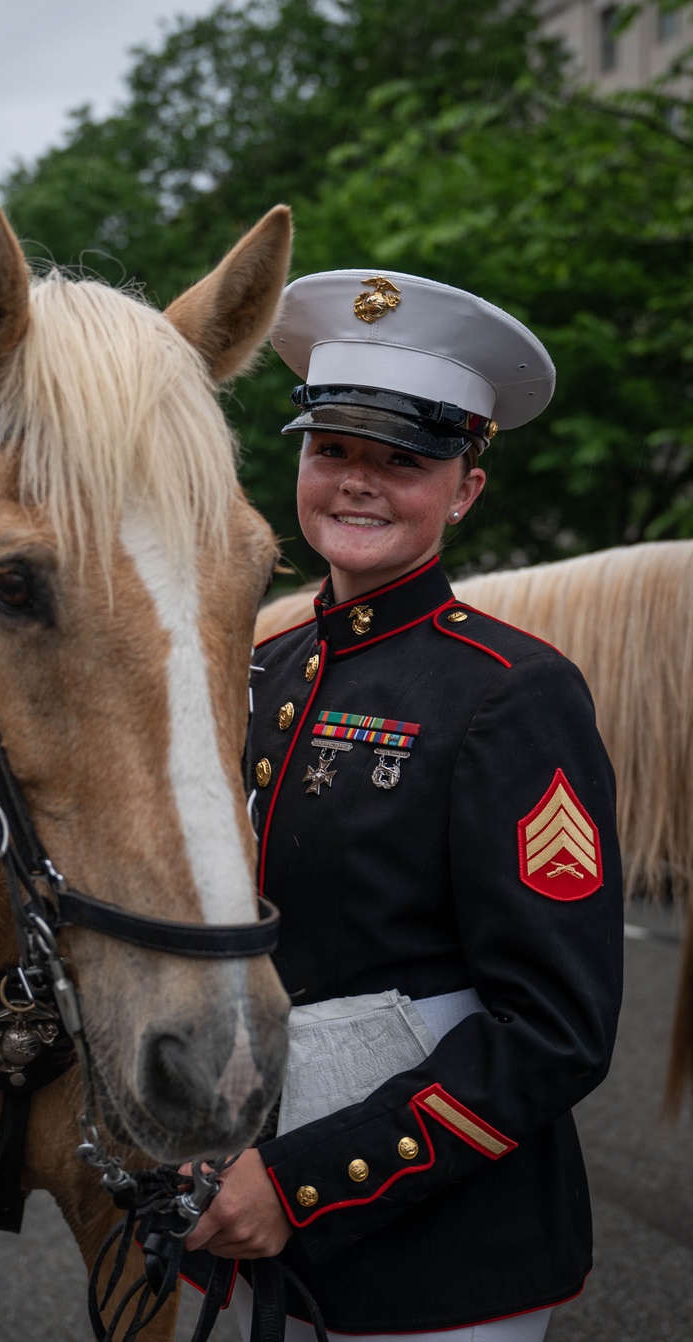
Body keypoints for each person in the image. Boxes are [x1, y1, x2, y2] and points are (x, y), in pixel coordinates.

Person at [182, 270, 624, 1341]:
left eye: (405, 460)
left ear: (465, 488)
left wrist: (299, 1186)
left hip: (440, 1262)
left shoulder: (511, 693)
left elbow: (555, 1030)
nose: (358, 483)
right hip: (238, 1224)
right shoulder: (256, 667)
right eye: (331, 449)